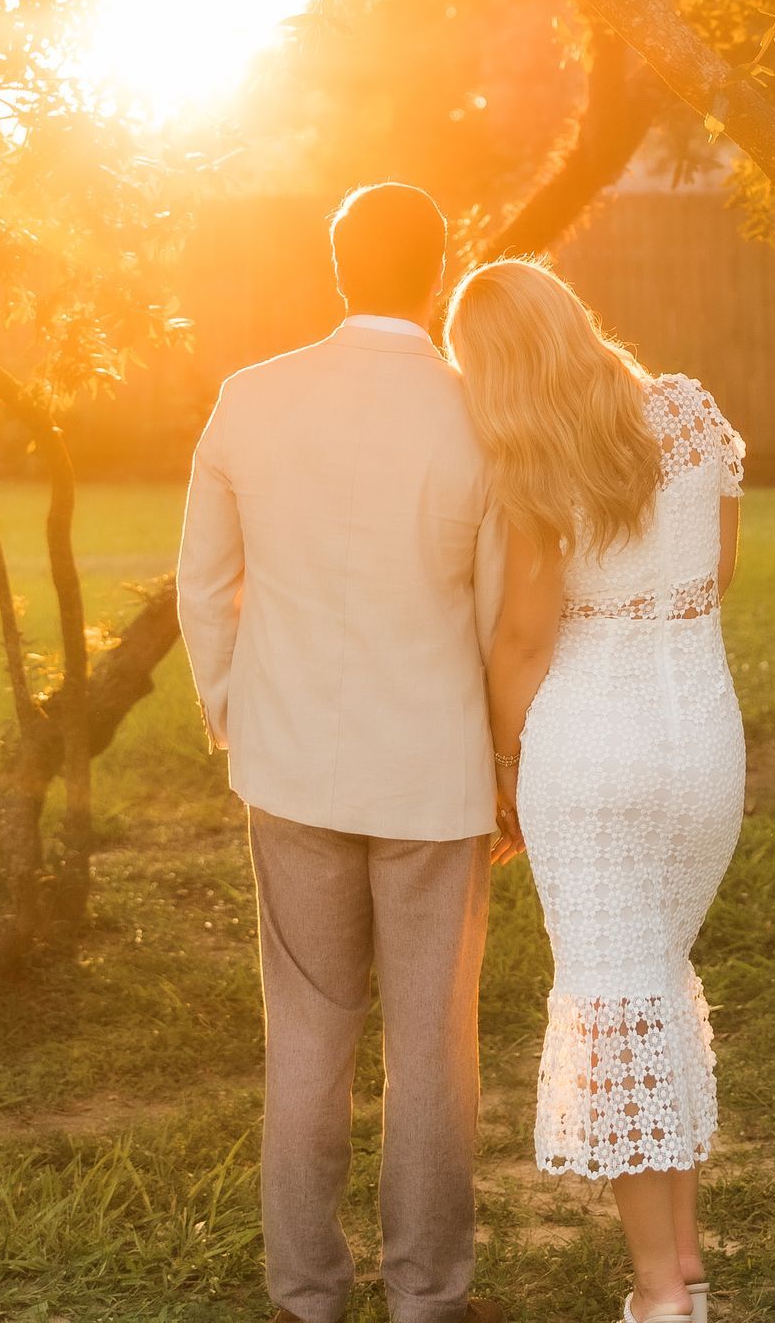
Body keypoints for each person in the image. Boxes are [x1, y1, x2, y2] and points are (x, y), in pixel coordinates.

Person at [177, 183, 504, 1323]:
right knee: (433, 1045)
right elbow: (503, 618)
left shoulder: (251, 399)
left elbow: (204, 584)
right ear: (440, 262)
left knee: (307, 1031)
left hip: (293, 764)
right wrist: (508, 772)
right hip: (437, 773)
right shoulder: (481, 415)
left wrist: (235, 712)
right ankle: (429, 1299)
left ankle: (305, 1295)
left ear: (335, 264)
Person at [445, 259, 745, 1323]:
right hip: (703, 742)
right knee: (654, 985)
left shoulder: (530, 459)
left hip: (589, 749)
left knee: (620, 1012)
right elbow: (715, 578)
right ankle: (688, 1268)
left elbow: (525, 640)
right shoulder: (691, 414)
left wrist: (498, 770)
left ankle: (661, 1292)